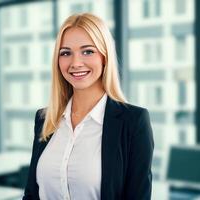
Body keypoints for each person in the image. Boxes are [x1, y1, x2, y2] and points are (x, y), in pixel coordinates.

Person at [23, 13, 154, 200]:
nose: (75, 63)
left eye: (87, 51)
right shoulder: (45, 118)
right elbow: (31, 195)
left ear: (104, 56)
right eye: (66, 53)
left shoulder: (133, 122)